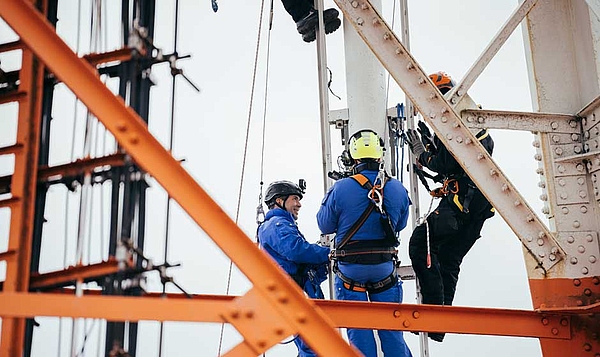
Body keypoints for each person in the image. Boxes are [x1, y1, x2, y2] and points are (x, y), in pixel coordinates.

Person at [405, 71, 496, 343]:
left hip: (460, 207)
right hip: (476, 211)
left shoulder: (451, 118)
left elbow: (446, 163)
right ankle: (439, 322)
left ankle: (435, 314)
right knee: (449, 259)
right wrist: (434, 149)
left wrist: (424, 154)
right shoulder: (470, 119)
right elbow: (456, 161)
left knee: (420, 244)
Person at [317, 130, 412, 357]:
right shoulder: (397, 188)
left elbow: (325, 225)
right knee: (392, 332)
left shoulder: (341, 188)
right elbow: (400, 225)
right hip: (384, 269)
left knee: (359, 333)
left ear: (352, 158)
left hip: (351, 271)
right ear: (380, 156)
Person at [258, 180, 330, 357]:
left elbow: (299, 264)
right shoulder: (277, 224)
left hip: (298, 292)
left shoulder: (280, 225)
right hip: (293, 294)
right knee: (312, 345)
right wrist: (329, 253)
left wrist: (321, 263)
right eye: (294, 199)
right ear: (279, 201)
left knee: (314, 345)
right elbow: (296, 250)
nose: (299, 204)